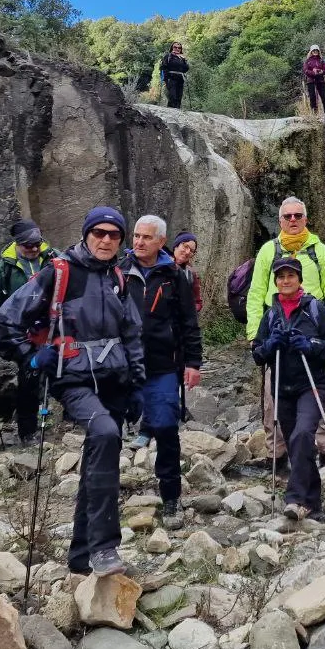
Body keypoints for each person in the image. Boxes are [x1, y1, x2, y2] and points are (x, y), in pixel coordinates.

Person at [0, 206, 146, 576]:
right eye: (100, 233)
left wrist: (137, 383)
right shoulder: (59, 272)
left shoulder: (119, 276)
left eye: (114, 235)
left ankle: (80, 557)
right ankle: (106, 548)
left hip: (114, 378)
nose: (107, 240)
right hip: (72, 378)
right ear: (87, 234)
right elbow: (6, 319)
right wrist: (31, 357)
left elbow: (131, 332)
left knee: (100, 456)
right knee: (106, 435)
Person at [245, 196, 325, 469]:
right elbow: (255, 293)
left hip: (311, 324)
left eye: (297, 215)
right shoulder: (269, 250)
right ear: (280, 220)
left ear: (305, 219)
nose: (292, 220)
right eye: (287, 216)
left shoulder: (318, 250)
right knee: (272, 394)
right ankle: (276, 452)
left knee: (316, 390)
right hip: (275, 322)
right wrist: (255, 334)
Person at [120, 215, 202, 530]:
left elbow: (188, 322)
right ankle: (103, 494)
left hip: (162, 365)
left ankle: (170, 496)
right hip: (122, 366)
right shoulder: (118, 271)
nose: (138, 242)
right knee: (109, 430)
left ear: (161, 242)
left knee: (167, 427)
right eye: (136, 236)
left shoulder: (174, 276)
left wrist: (193, 362)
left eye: (146, 237)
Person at [251, 256, 325, 521]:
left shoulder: (313, 307)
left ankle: (294, 499)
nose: (285, 280)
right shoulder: (271, 313)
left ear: (299, 279)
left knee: (303, 434)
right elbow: (257, 353)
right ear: (275, 282)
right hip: (283, 386)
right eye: (280, 277)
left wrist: (310, 345)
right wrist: (270, 346)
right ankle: (312, 504)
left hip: (314, 384)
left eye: (290, 276)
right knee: (295, 444)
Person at [0, 219, 57, 445]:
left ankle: (64, 421)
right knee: (28, 378)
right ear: (17, 243)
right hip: (23, 334)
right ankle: (27, 431)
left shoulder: (52, 259)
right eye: (28, 245)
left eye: (37, 244)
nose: (34, 249)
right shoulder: (4, 267)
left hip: (52, 327)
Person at [172, 231, 203, 314]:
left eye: (192, 250)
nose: (188, 252)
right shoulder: (160, 266)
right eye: (185, 246)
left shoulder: (191, 273)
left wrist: (190, 310)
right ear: (176, 246)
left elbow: (198, 302)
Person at [303, 44, 325, 117]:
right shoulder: (307, 61)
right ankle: (315, 116)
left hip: (320, 81)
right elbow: (305, 71)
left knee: (324, 98)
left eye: (316, 50)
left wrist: (321, 71)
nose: (315, 51)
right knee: (312, 98)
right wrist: (313, 72)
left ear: (318, 51)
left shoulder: (321, 60)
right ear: (311, 52)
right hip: (311, 81)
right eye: (314, 50)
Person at [161, 41, 190, 109]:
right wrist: (165, 79)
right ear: (172, 48)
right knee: (172, 96)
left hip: (180, 79)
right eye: (175, 47)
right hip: (171, 78)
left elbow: (186, 69)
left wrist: (185, 60)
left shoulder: (182, 58)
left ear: (181, 49)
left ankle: (177, 112)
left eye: (179, 48)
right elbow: (163, 67)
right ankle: (170, 111)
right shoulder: (168, 56)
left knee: (179, 97)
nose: (177, 49)